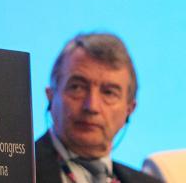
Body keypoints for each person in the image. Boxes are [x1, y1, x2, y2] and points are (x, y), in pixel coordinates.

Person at [36, 33, 160, 183]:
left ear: (129, 109)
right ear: (51, 95)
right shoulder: (13, 169)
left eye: (109, 92)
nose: (92, 106)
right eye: (77, 88)